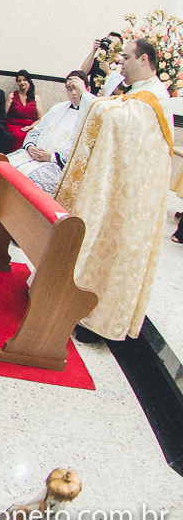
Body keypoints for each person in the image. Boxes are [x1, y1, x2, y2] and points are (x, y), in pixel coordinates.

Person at [54, 38, 172, 343]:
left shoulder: (154, 98)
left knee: (114, 252)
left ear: (144, 60)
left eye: (126, 58)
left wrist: (88, 99)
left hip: (134, 199)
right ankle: (81, 310)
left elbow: (122, 121)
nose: (121, 64)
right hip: (126, 188)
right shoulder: (141, 95)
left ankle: (99, 321)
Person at [7, 71, 95, 195]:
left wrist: (52, 157)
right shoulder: (58, 108)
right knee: (3, 166)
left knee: (31, 183)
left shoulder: (93, 116)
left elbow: (85, 148)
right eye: (69, 89)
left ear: (88, 89)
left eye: (77, 88)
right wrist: (30, 147)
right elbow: (36, 131)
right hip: (33, 156)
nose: (73, 93)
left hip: (59, 165)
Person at [3, 70, 43, 147]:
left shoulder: (36, 98)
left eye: (24, 80)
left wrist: (31, 127)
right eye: (19, 81)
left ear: (29, 81)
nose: (22, 83)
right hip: (13, 126)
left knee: (30, 136)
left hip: (30, 127)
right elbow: (4, 115)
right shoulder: (12, 96)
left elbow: (40, 119)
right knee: (18, 136)